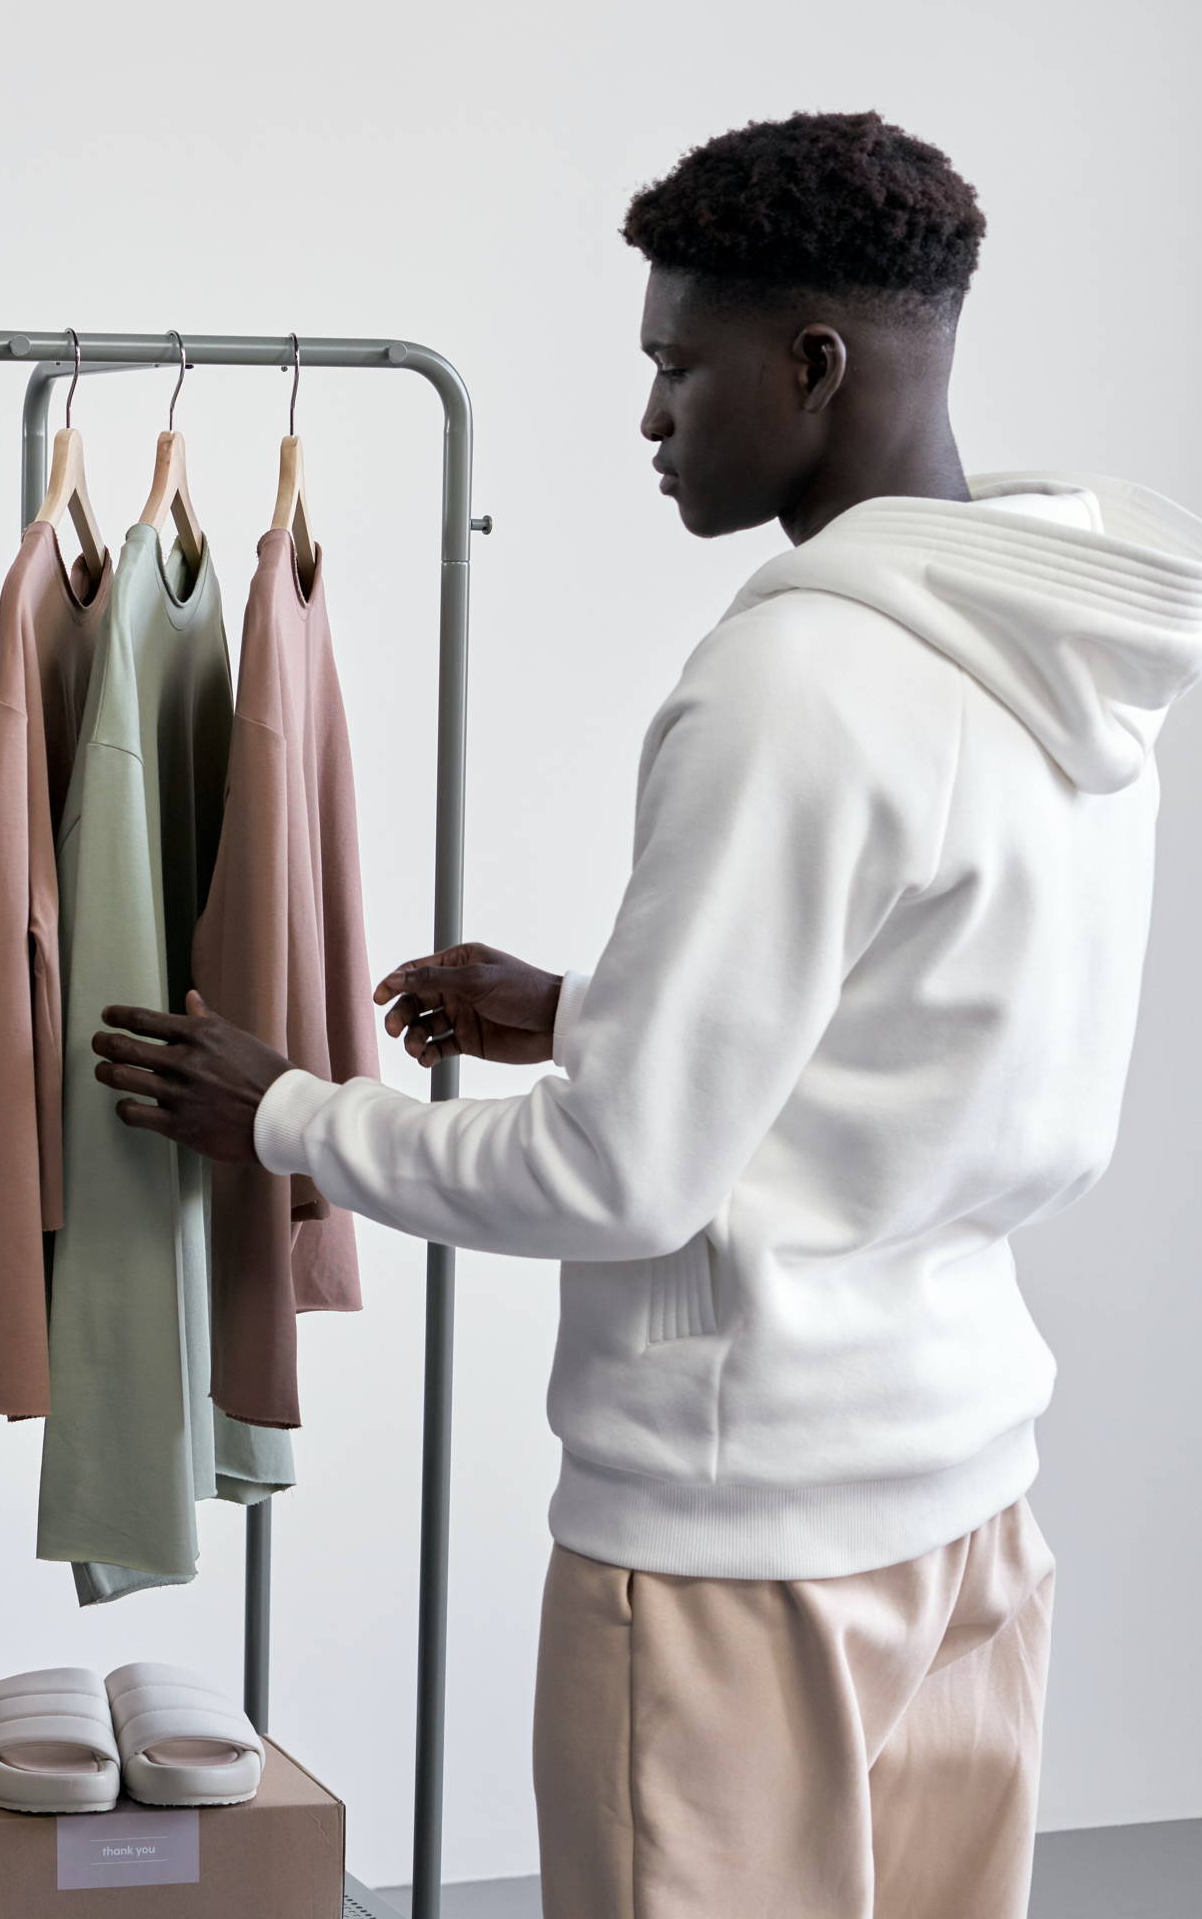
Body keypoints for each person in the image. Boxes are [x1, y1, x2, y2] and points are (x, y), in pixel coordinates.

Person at [88, 113, 1202, 1919]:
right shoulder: (1072, 653)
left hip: (736, 1541)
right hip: (968, 1503)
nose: (653, 413)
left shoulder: (794, 679)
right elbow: (939, 1020)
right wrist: (601, 1006)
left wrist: (290, 1112)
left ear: (812, 364)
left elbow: (619, 1178)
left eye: (680, 361)